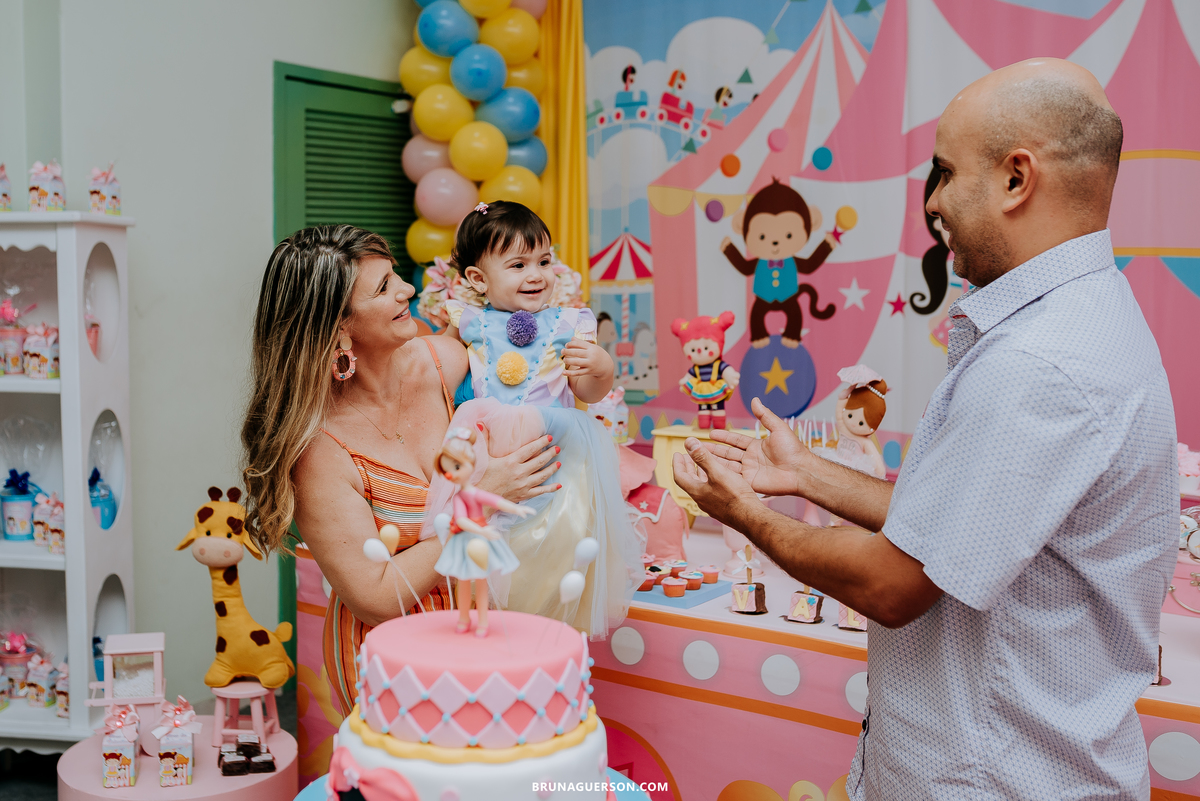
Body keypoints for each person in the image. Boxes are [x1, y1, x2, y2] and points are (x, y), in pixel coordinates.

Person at [673, 58, 1177, 800]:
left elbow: (894, 583)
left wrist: (743, 512)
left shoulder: (1039, 363)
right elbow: (958, 526)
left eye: (944, 173)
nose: (933, 201)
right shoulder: (1087, 315)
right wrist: (805, 473)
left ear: (1016, 178)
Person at [241, 225, 560, 714]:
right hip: (392, 662)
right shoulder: (319, 452)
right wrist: (476, 505)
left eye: (396, 276)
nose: (407, 289)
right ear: (338, 327)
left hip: (479, 634)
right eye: (384, 287)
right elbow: (374, 597)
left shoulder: (439, 361)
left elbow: (525, 354)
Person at [424, 201, 643, 638]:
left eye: (544, 261)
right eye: (518, 264)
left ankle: (543, 626)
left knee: (556, 539)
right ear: (478, 279)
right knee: (489, 537)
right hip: (487, 453)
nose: (537, 274)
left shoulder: (570, 322)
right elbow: (436, 374)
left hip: (555, 452)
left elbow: (586, 392)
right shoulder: (466, 320)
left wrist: (601, 369)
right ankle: (491, 621)